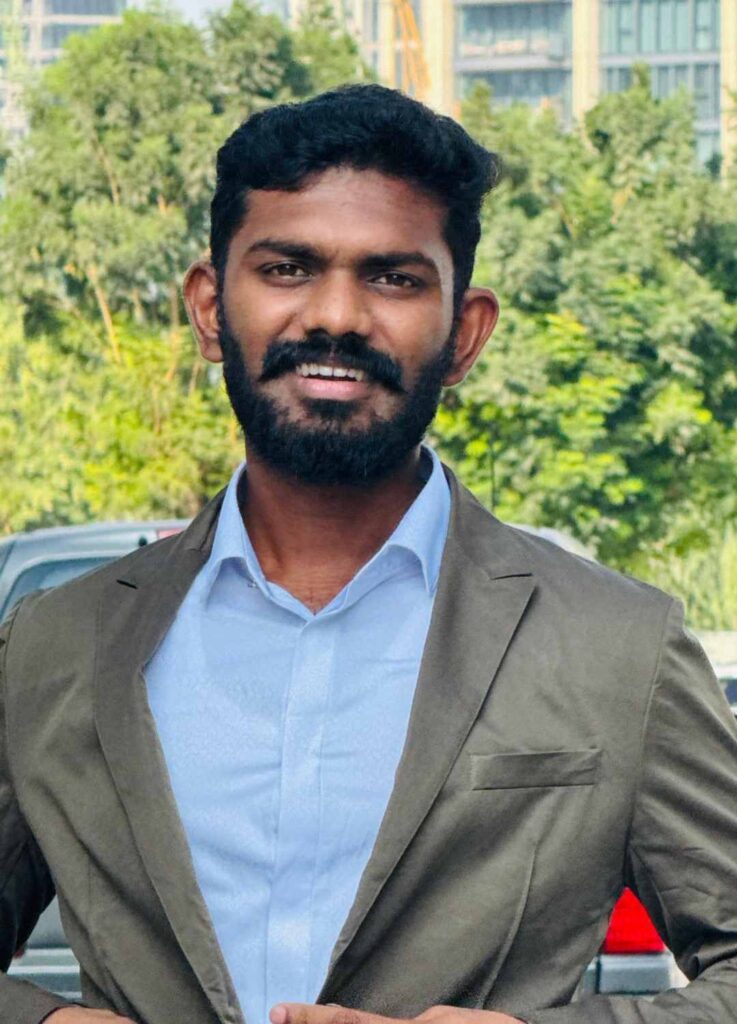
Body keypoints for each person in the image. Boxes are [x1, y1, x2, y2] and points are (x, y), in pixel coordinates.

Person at [1, 85, 736, 1024]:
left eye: (393, 278)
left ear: (464, 332)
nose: (337, 316)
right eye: (287, 268)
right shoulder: (55, 646)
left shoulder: (615, 648)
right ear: (210, 309)